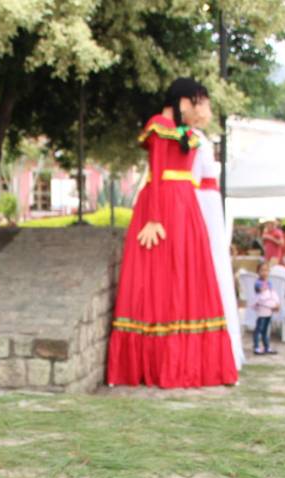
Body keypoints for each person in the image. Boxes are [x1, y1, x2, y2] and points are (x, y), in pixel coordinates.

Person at [106, 78, 237, 388]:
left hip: (185, 207)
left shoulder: (184, 132)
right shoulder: (160, 126)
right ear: (184, 101)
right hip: (165, 207)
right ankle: (161, 362)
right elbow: (157, 172)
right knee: (159, 280)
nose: (201, 108)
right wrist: (153, 218)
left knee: (189, 275)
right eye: (198, 101)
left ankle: (193, 366)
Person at [189, 97, 244, 372]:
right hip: (202, 204)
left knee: (218, 267)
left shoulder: (199, 139)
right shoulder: (192, 139)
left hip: (209, 205)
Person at [251, 260, 280, 356]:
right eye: (262, 270)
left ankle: (266, 346)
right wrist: (272, 304)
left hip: (269, 311)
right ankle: (256, 347)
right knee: (259, 329)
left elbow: (272, 295)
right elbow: (263, 297)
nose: (264, 273)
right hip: (262, 310)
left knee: (265, 330)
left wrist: (276, 304)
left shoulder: (269, 283)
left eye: (266, 270)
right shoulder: (258, 284)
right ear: (258, 272)